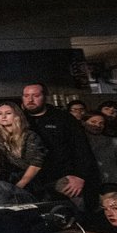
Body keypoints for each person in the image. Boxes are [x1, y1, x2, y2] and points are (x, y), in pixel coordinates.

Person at [22, 83, 99, 211]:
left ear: (45, 97)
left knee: (76, 213)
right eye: (26, 96)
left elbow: (82, 148)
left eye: (35, 95)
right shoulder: (20, 119)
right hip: (34, 180)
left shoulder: (63, 118)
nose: (30, 99)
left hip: (66, 177)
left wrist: (80, 176)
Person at [0, 102, 46, 189]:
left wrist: (20, 185)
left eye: (8, 113)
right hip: (3, 181)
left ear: (17, 116)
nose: (3, 116)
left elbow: (36, 164)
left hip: (29, 181)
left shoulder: (30, 136)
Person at [82, 112, 117, 188]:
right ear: (83, 123)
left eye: (101, 123)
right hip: (85, 186)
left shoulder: (114, 142)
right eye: (93, 122)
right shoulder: (77, 142)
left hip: (112, 185)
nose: (97, 125)